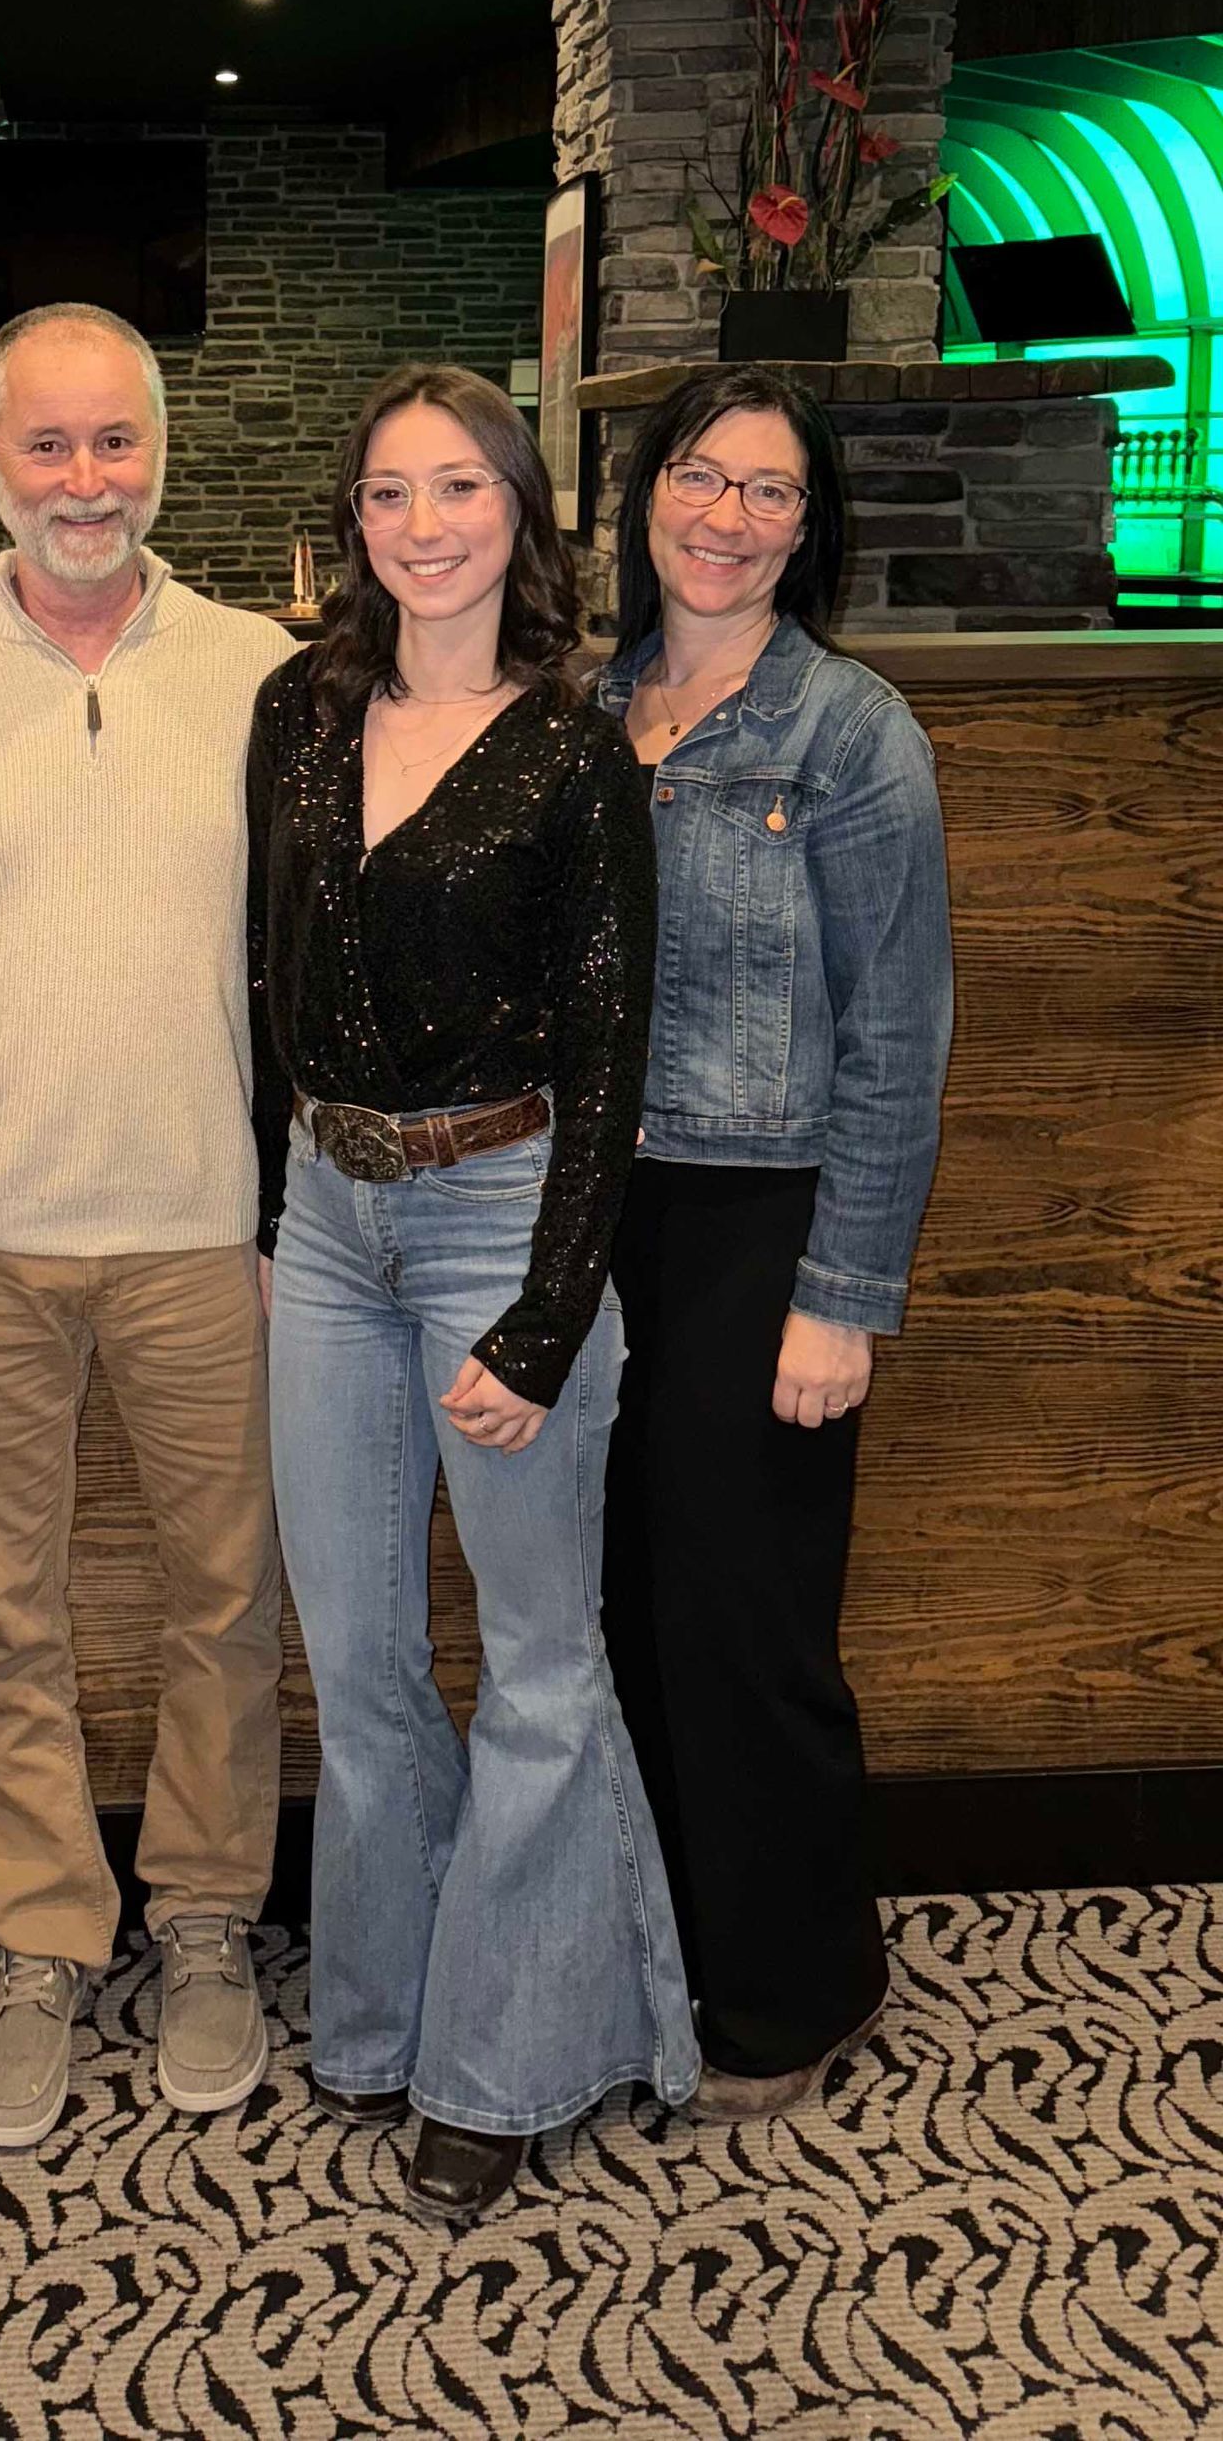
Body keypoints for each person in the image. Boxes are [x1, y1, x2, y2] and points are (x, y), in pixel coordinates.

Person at [0, 304, 295, 2149]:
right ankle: (40, 1935)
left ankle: (201, 1919)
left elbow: (298, 970)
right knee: (3, 1615)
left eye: (115, 442)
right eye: (51, 445)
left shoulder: (272, 676)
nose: (85, 480)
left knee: (227, 1606)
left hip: (209, 1224)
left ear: (161, 452)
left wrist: (298, 1203)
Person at [246, 361, 697, 2230]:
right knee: (354, 1657)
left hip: (506, 1209)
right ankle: (382, 2009)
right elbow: (256, 973)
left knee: (534, 1661)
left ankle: (503, 2060)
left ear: (521, 512)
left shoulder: (577, 752)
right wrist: (274, 1218)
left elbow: (616, 1054)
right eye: (385, 494)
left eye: (458, 488)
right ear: (350, 523)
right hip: (324, 1220)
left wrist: (545, 1311)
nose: (422, 526)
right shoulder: (296, 708)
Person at [596, 366, 953, 2121]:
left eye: (770, 493)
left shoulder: (849, 730)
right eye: (700, 475)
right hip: (596, 1223)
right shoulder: (587, 706)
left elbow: (901, 1032)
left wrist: (844, 1295)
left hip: (764, 1219)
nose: (726, 517)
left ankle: (795, 1988)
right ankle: (661, 1948)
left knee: (748, 1626)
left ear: (812, 531)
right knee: (624, 1617)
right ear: (645, 491)